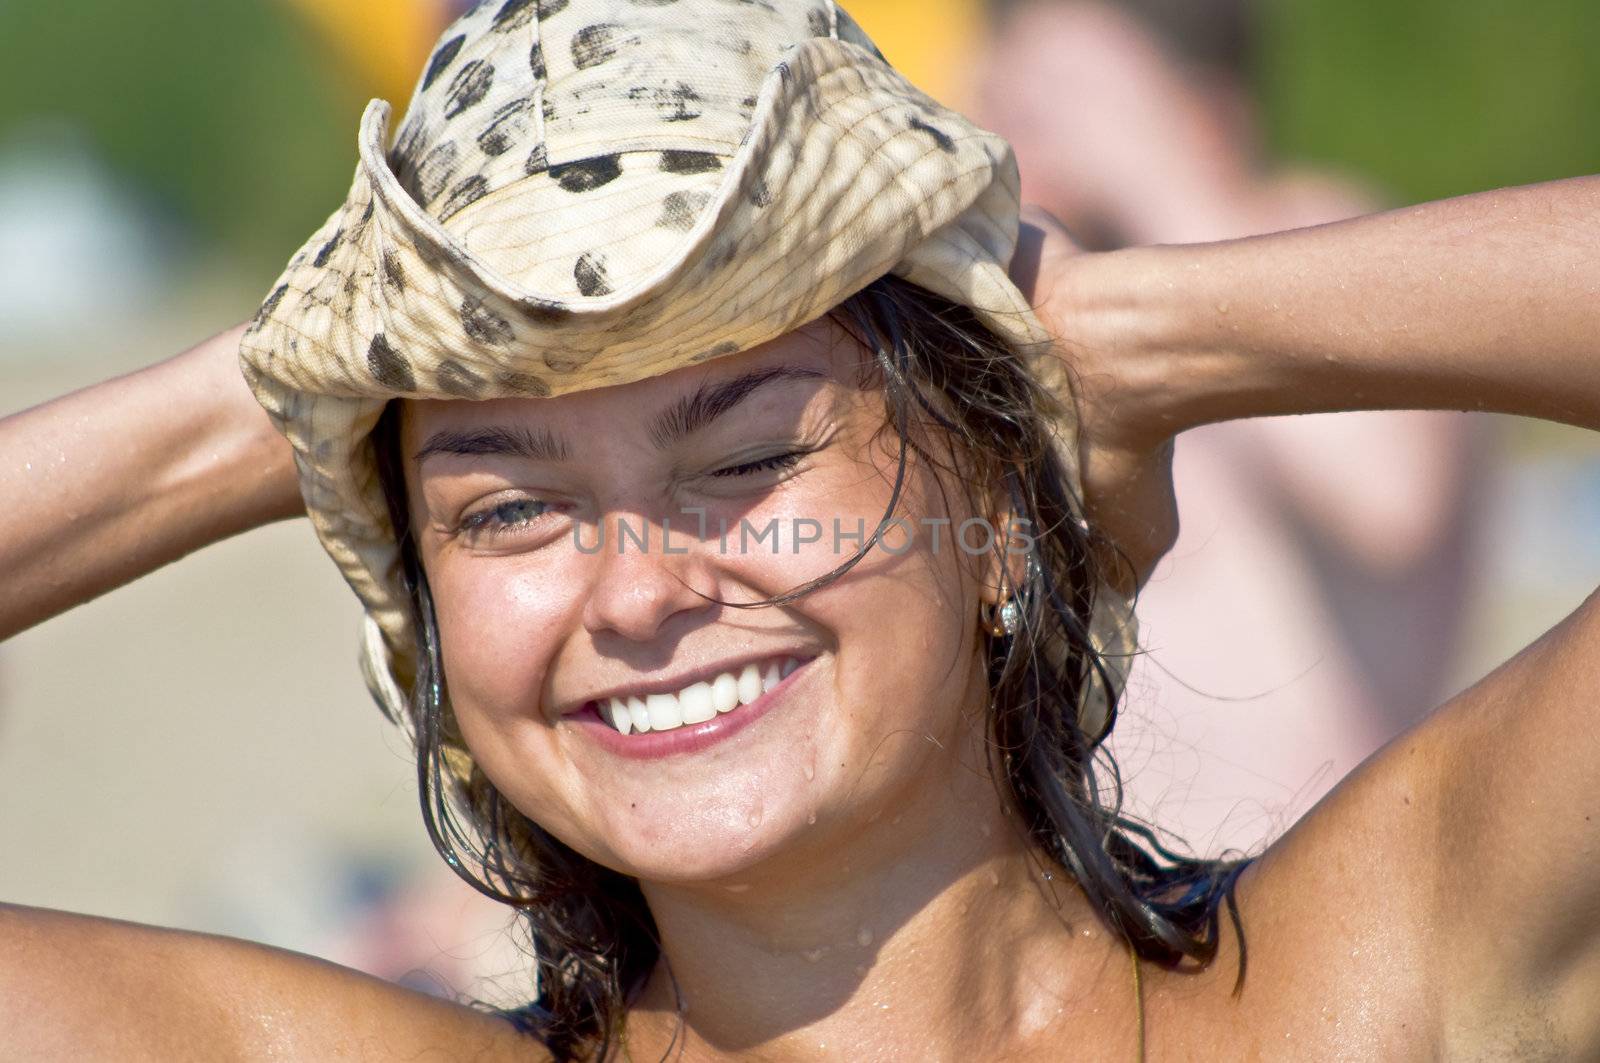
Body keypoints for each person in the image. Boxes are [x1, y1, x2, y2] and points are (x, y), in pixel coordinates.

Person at [2, 4, 1598, 1061]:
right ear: (429, 634)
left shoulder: (1382, 962)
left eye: (749, 454)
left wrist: (1134, 330)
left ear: (998, 516)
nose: (637, 588)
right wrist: (289, 387)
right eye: (507, 506)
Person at [975, 0, 1490, 856]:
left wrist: (1156, 176)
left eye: (1055, 100)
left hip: (1336, 891)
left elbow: (1392, 495)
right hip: (1133, 916)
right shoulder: (1051, 333)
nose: (1005, 138)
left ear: (1207, 114)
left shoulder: (1316, 228)